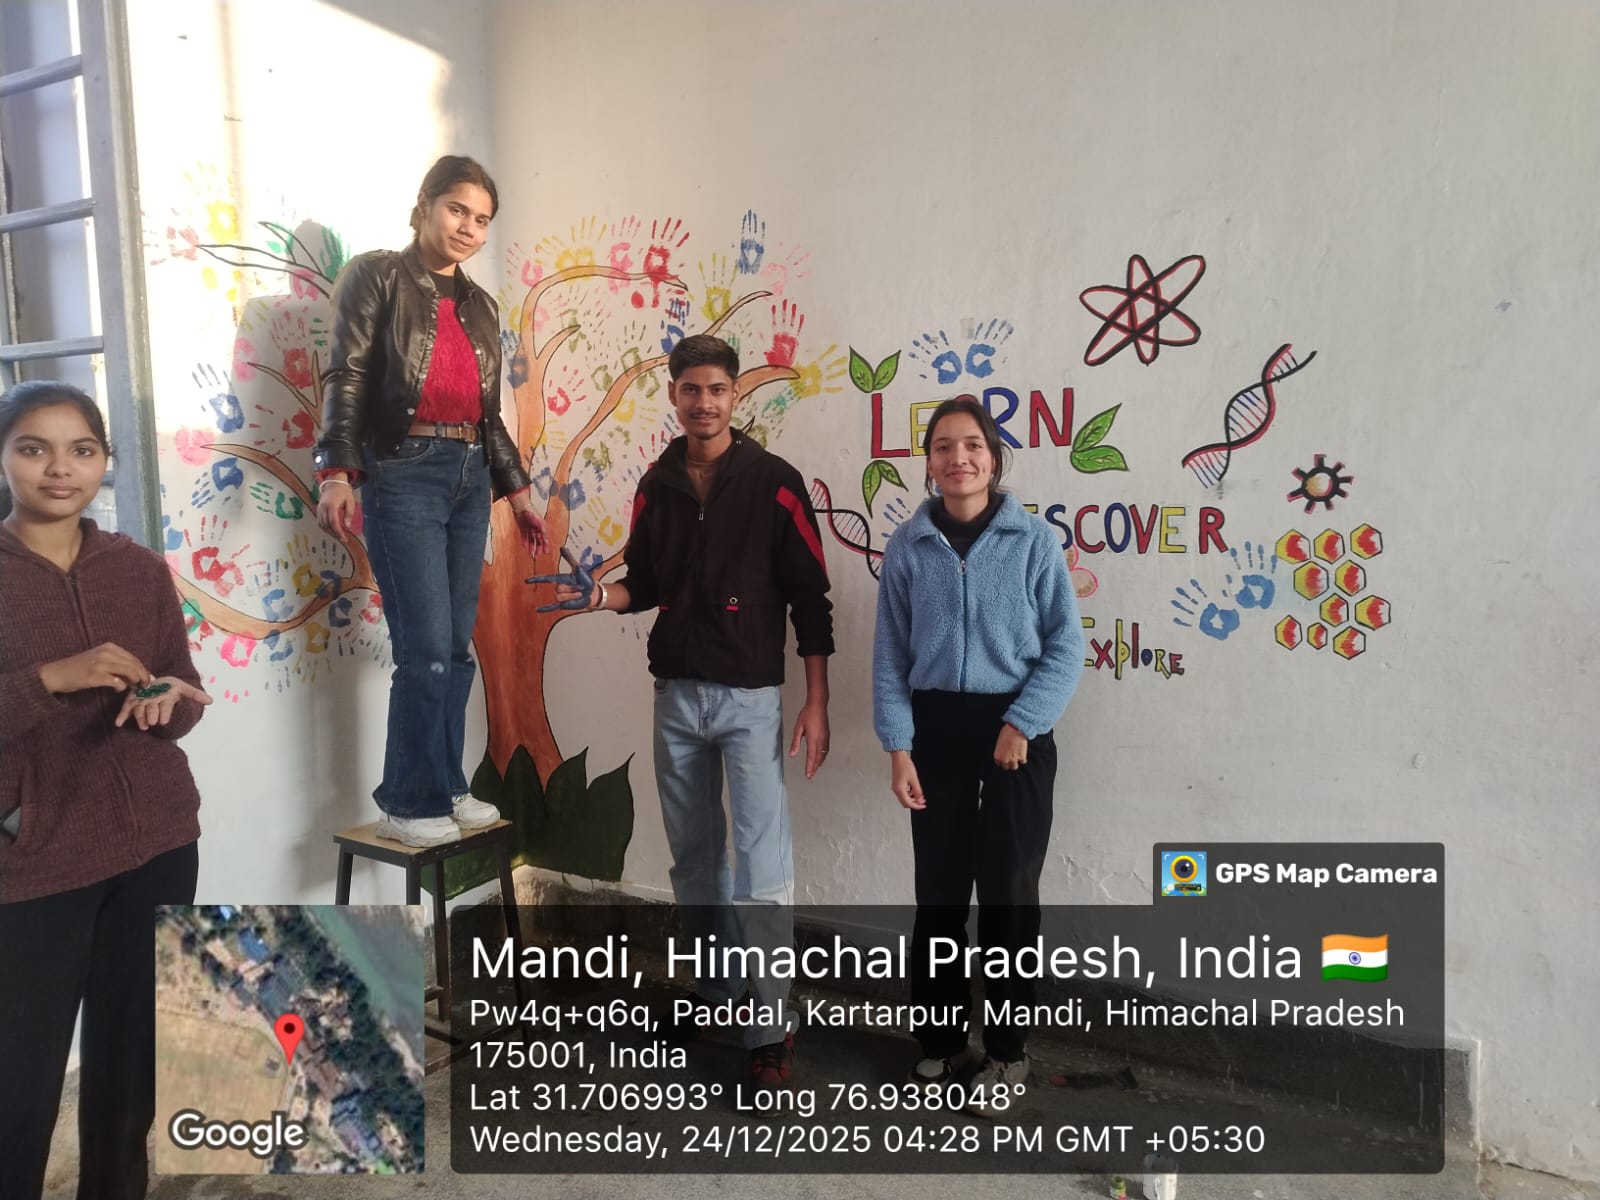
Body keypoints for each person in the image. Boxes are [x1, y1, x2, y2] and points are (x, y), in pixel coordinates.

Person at [534, 333, 833, 1088]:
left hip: (750, 701)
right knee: (694, 862)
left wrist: (817, 700)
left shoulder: (774, 482)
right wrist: (601, 596)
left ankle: (769, 1029)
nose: (704, 402)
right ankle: (721, 993)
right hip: (675, 698)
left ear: (735, 396)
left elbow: (811, 599)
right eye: (691, 389)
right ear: (674, 396)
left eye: (717, 389)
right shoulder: (656, 483)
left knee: (761, 867)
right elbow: (646, 582)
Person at [0, 380, 213, 1199]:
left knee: (132, 1081)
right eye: (34, 448)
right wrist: (53, 678)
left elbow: (181, 691)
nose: (60, 468)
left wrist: (165, 703)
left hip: (158, 844)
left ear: (104, 460)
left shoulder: (139, 570)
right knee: (18, 1093)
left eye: (81, 450)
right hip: (35, 859)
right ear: (5, 458)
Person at [313, 154, 548, 848]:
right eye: (457, 210)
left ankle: (445, 784)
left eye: (482, 219)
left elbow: (487, 413)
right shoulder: (378, 276)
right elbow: (348, 373)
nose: (468, 227)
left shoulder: (481, 306)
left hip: (469, 473)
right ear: (424, 205)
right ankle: (405, 799)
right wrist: (337, 470)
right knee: (426, 652)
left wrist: (518, 492)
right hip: (404, 469)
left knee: (455, 648)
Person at [872, 396, 1083, 1115]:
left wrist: (1023, 721)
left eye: (972, 445)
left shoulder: (1033, 541)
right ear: (928, 461)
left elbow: (1066, 646)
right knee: (939, 895)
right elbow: (889, 656)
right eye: (942, 446)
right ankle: (939, 1041)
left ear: (994, 458)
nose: (957, 458)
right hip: (937, 732)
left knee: (1008, 898)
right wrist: (899, 747)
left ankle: (1006, 1052)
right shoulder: (908, 546)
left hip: (1016, 735)